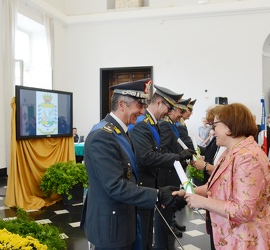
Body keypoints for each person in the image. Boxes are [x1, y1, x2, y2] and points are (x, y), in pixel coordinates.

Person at [80, 79, 186, 250]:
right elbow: (115, 186)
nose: (143, 111)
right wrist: (158, 195)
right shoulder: (103, 135)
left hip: (124, 217)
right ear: (122, 104)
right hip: (110, 225)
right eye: (139, 105)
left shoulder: (120, 131)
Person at [174, 103, 270, 250]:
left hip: (246, 242)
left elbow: (243, 210)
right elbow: (218, 185)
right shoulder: (230, 152)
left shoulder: (248, 158)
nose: (213, 131)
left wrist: (201, 202)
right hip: (229, 236)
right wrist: (190, 193)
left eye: (215, 126)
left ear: (229, 126)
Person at [129, 85, 194, 250]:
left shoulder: (154, 123)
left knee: (148, 232)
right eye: (169, 107)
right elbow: (146, 157)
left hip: (152, 185)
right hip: (143, 185)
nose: (170, 112)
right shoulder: (142, 124)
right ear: (159, 102)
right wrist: (177, 156)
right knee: (143, 234)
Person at [157, 98, 190, 244]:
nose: (182, 115)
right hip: (168, 172)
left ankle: (169, 229)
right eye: (180, 111)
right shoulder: (165, 125)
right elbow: (163, 150)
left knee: (171, 205)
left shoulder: (172, 125)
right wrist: (179, 156)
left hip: (175, 170)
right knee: (165, 208)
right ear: (172, 110)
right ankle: (162, 242)